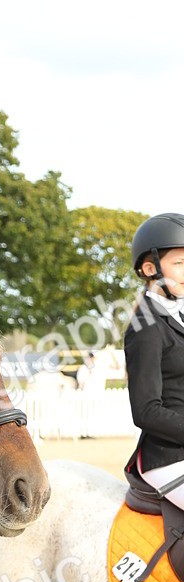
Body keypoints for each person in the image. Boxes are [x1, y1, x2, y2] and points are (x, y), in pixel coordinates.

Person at [125, 214, 184, 508]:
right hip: (169, 458)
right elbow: (146, 410)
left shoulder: (178, 318)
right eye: (180, 263)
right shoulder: (145, 326)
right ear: (151, 268)